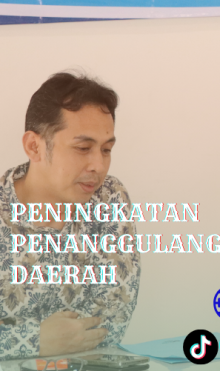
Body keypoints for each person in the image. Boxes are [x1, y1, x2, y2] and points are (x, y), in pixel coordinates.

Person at [0, 73, 140, 359]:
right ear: (34, 146)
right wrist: (35, 340)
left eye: (106, 149)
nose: (98, 165)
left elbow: (111, 322)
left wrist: (15, 337)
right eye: (83, 148)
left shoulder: (110, 198)